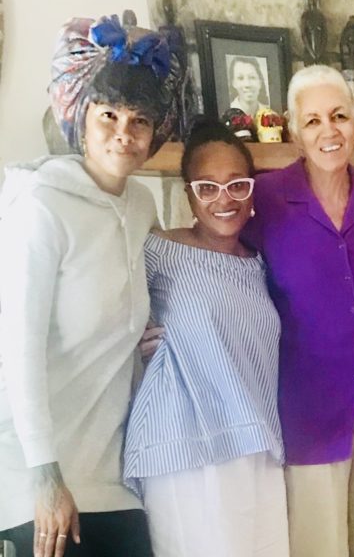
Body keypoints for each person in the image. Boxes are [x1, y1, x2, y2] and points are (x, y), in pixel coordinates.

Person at [0, 13, 184, 557]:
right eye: (108, 116)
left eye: (139, 121)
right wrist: (45, 477)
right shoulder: (40, 206)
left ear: (154, 136)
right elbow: (19, 351)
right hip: (34, 479)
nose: (123, 133)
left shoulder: (141, 207)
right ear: (82, 120)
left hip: (113, 476)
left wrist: (151, 341)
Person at [242, 64, 354, 557]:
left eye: (338, 115)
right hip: (308, 419)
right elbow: (227, 265)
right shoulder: (266, 199)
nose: (328, 130)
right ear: (295, 132)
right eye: (313, 120)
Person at [122, 122, 288, 556]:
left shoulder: (260, 266)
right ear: (188, 194)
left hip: (256, 443)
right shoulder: (159, 251)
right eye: (207, 187)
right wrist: (137, 345)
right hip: (184, 449)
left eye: (237, 185)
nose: (223, 199)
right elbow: (108, 314)